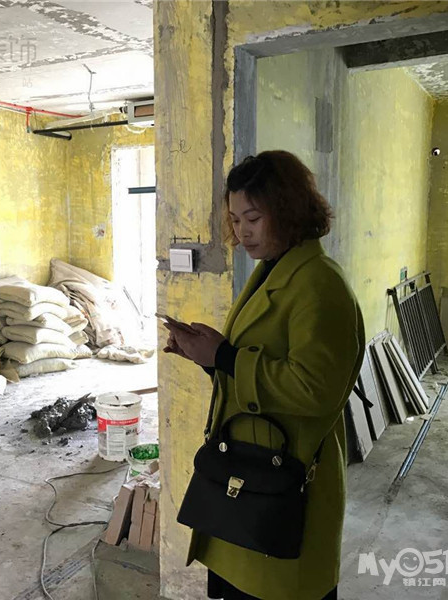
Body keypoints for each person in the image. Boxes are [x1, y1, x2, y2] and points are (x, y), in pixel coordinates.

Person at [164, 150, 365, 600]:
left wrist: (226, 357)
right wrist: (208, 357)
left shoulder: (319, 283)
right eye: (235, 219)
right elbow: (254, 366)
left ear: (289, 210)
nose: (242, 231)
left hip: (285, 480)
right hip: (249, 476)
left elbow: (316, 390)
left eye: (253, 218)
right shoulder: (272, 272)